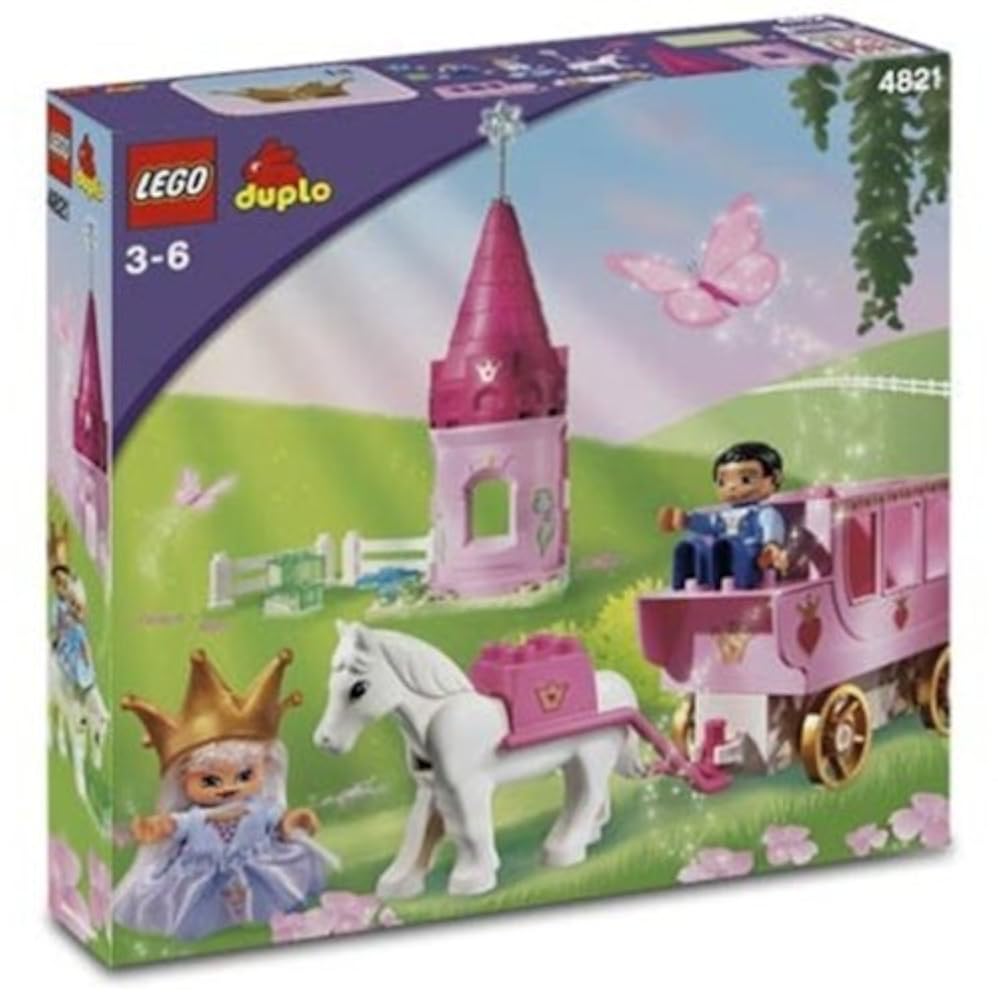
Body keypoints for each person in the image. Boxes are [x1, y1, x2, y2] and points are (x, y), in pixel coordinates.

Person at [113, 649, 332, 940]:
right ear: (183, 781)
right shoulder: (194, 819)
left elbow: (278, 822)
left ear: (265, 768)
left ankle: (262, 917)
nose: (229, 788)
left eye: (245, 776)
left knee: (271, 896)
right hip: (203, 880)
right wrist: (155, 828)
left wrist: (294, 820)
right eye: (210, 780)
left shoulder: (260, 808)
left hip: (258, 870)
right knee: (202, 910)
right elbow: (173, 825)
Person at [659, 441, 787, 590]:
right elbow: (708, 524)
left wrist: (771, 546)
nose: (732, 487)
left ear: (774, 479)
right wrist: (687, 520)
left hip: (749, 558)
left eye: (745, 480)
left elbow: (772, 528)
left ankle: (725, 578)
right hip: (718, 552)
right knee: (692, 547)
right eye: (722, 482)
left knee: (726, 547)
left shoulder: (764, 512)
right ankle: (686, 579)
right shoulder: (721, 515)